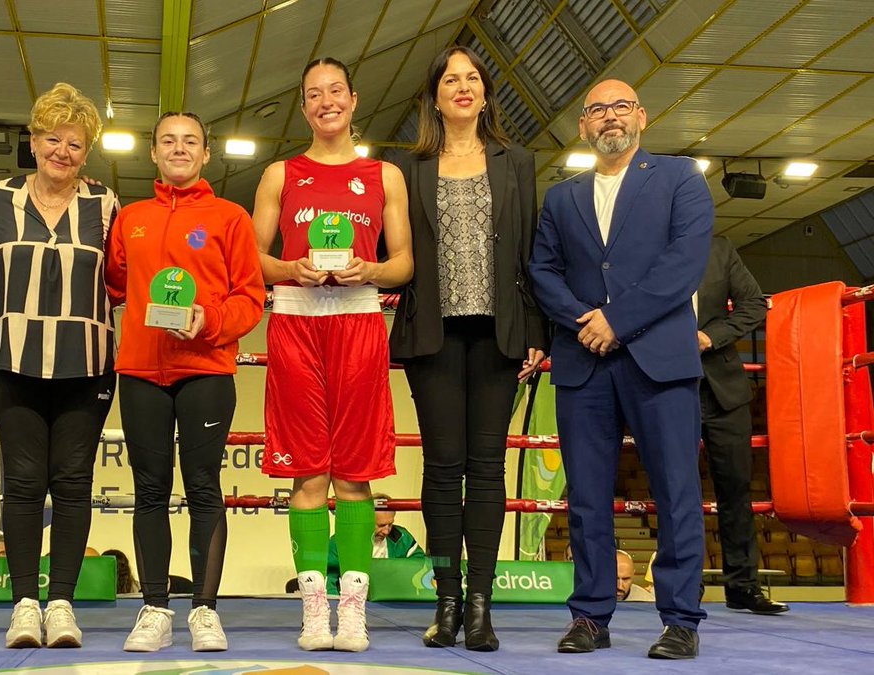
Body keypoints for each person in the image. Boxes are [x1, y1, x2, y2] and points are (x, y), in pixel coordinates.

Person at [530, 79, 712, 660]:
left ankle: (681, 618)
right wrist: (588, 321)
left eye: (620, 106)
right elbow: (541, 271)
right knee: (584, 496)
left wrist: (616, 320)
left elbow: (685, 264)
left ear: (642, 116)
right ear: (583, 126)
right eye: (596, 110)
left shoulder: (681, 177)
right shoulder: (561, 197)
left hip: (659, 360)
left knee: (677, 492)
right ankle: (589, 616)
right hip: (584, 363)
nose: (609, 117)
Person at [387, 45, 548, 652]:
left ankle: (482, 607)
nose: (462, 87)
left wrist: (537, 331)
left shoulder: (518, 162)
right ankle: (446, 602)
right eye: (450, 79)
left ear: (484, 92)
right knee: (440, 467)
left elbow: (529, 251)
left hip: (499, 334)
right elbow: (394, 250)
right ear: (435, 95)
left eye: (472, 78)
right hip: (432, 334)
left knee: (486, 470)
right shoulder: (406, 169)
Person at [253, 57, 412, 653]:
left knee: (355, 472)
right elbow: (255, 257)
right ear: (303, 106)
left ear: (353, 99)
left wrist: (368, 268)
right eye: (313, 94)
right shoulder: (279, 174)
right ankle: (313, 612)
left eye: (335, 92)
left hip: (359, 319)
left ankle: (353, 612)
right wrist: (288, 268)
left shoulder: (383, 176)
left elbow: (404, 262)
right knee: (308, 472)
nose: (326, 102)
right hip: (295, 319)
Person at [105, 112, 265, 653]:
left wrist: (211, 321)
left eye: (189, 141)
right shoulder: (130, 217)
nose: (178, 149)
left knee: (202, 488)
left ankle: (204, 610)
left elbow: (250, 297)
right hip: (142, 371)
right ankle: (153, 608)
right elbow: (114, 281)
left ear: (206, 154)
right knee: (149, 490)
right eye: (168, 141)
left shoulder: (230, 217)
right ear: (153, 152)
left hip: (206, 369)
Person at [0, 82, 119, 650]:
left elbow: (123, 280)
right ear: (33, 141)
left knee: (75, 483)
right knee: (25, 484)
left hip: (86, 363)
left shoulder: (105, 202)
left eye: (75, 144)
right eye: (53, 139)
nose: (63, 151)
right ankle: (23, 605)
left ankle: (61, 603)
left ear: (88, 153)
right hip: (12, 360)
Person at [696, 236, 786, 615]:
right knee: (674, 492)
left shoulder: (718, 249)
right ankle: (682, 589)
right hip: (663, 386)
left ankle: (743, 587)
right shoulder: (642, 243)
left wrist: (710, 336)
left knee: (736, 489)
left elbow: (754, 304)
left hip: (722, 388)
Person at [325, 494, 425, 593]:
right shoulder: (342, 540)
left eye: (390, 524)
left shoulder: (401, 537)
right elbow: (329, 576)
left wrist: (396, 573)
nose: (386, 531)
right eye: (381, 525)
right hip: (351, 599)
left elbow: (419, 563)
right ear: (366, 520)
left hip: (391, 599)